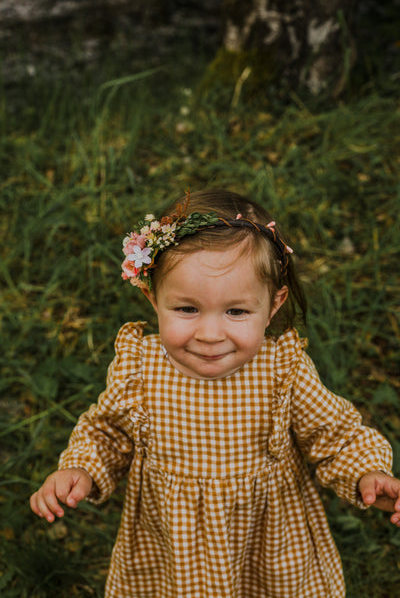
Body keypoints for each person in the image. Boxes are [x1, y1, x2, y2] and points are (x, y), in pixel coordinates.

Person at [30, 190, 400, 597]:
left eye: (237, 312)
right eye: (186, 309)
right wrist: (80, 469)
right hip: (172, 544)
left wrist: (368, 472)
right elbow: (108, 433)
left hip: (271, 541)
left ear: (272, 305)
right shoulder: (141, 369)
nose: (209, 334)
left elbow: (334, 434)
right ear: (153, 297)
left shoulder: (282, 370)